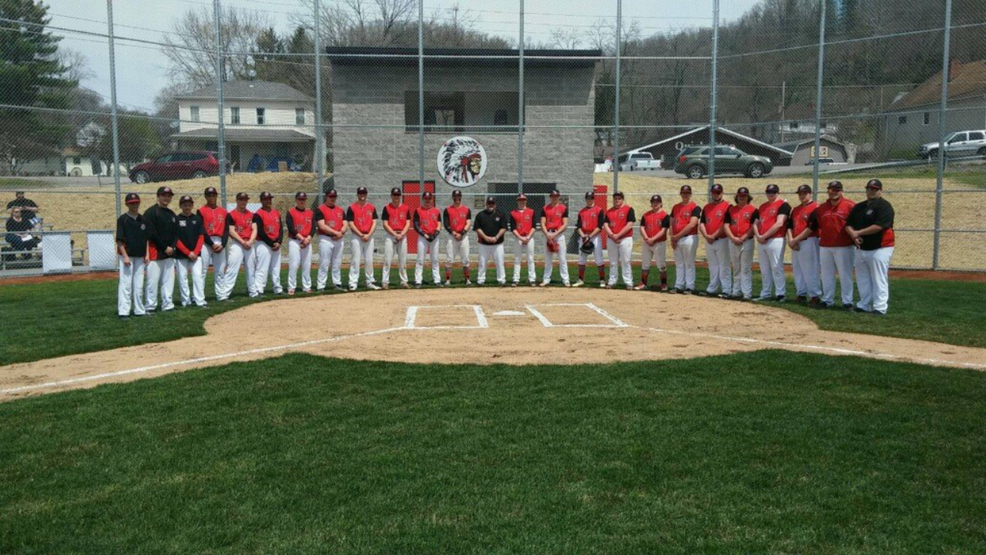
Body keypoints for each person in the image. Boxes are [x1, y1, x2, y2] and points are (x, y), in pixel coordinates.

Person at [847, 178, 895, 315]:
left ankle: (880, 307)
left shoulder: (884, 206)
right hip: (862, 248)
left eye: (875, 189)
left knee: (878, 278)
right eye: (869, 188)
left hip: (880, 247)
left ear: (880, 190)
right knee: (862, 278)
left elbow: (879, 226)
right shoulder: (859, 207)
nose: (871, 191)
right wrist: (853, 235)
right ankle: (864, 304)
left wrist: (858, 233)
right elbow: (848, 224)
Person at [808, 181, 855, 309]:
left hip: (844, 245)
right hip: (825, 245)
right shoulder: (821, 208)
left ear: (841, 191)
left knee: (845, 274)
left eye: (837, 190)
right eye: (831, 190)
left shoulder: (850, 206)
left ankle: (847, 302)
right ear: (828, 191)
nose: (834, 192)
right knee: (826, 274)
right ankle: (827, 300)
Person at [753, 184, 791, 302]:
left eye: (773, 192)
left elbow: (780, 223)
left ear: (778, 193)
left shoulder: (783, 205)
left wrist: (764, 236)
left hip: (776, 239)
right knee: (764, 268)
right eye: (768, 192)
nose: (771, 194)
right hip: (762, 240)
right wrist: (758, 236)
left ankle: (781, 294)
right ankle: (766, 293)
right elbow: (755, 223)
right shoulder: (763, 206)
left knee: (776, 267)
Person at [143, 186, 179, 312]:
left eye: (169, 196)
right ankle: (150, 306)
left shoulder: (171, 214)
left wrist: (172, 247)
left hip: (169, 253)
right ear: (158, 196)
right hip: (156, 251)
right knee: (152, 280)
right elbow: (151, 233)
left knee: (168, 280)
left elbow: (176, 233)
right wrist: (164, 248)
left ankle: (167, 304)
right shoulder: (151, 212)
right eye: (164, 195)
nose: (166, 198)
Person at [217, 192, 258, 301]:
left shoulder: (251, 214)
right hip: (237, 244)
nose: (243, 202)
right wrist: (242, 242)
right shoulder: (231, 214)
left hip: (249, 243)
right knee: (232, 269)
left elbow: (254, 229)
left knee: (251, 269)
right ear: (237, 200)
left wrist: (250, 241)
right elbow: (231, 231)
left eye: (245, 199)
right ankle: (225, 294)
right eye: (241, 199)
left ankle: (253, 292)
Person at [787, 184, 821, 305]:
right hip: (796, 241)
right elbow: (789, 225)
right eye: (800, 193)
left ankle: (815, 295)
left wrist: (795, 240)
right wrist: (791, 240)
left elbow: (811, 227)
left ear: (810, 193)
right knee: (798, 269)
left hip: (809, 240)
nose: (802, 195)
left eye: (804, 193)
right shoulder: (796, 209)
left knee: (810, 269)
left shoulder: (816, 207)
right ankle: (801, 294)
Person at [115, 193, 147, 319]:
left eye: (136, 202)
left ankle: (139, 310)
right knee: (126, 283)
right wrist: (125, 256)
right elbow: (119, 240)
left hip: (139, 256)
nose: (134, 205)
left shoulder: (143, 219)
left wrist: (146, 254)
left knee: (139, 284)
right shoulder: (123, 219)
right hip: (127, 256)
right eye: (132, 203)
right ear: (127, 204)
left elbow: (146, 239)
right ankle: (123, 311)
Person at [723, 187, 757, 300]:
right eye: (740, 195)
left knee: (745, 268)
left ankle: (747, 293)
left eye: (744, 195)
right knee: (736, 267)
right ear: (737, 197)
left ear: (748, 197)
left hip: (747, 241)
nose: (742, 197)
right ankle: (736, 291)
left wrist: (743, 237)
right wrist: (732, 238)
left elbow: (753, 227)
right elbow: (726, 225)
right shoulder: (731, 210)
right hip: (733, 241)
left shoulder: (753, 210)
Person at [174, 195, 208, 308]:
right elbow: (176, 239)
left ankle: (200, 300)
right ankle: (186, 301)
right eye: (184, 205)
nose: (187, 207)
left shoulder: (197, 219)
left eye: (189, 205)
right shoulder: (177, 219)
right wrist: (187, 252)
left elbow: (201, 237)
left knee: (197, 276)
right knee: (182, 278)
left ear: (192, 205)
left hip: (196, 254)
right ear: (180, 206)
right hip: (181, 254)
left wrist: (195, 252)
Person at [699, 184, 731, 297]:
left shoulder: (728, 206)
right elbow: (702, 222)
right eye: (714, 192)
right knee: (712, 265)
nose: (716, 194)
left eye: (718, 192)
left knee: (724, 265)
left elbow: (725, 224)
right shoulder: (707, 207)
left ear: (722, 193)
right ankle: (712, 288)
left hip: (722, 239)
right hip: (709, 240)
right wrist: (706, 235)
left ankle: (726, 289)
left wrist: (713, 235)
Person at [197, 186, 228, 299]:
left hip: (219, 240)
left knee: (220, 269)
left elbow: (226, 230)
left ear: (216, 196)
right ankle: (199, 296)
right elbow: (201, 229)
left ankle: (221, 295)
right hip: (206, 242)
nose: (211, 197)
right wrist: (211, 243)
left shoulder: (223, 212)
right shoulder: (201, 211)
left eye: (213, 195)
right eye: (209, 195)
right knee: (203, 270)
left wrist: (223, 244)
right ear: (205, 197)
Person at [669, 185, 701, 294]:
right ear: (681, 194)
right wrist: (672, 238)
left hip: (689, 238)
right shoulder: (676, 207)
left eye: (687, 193)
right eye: (683, 193)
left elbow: (692, 224)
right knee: (679, 263)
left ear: (690, 194)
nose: (685, 195)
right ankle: (679, 285)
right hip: (677, 239)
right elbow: (671, 222)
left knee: (689, 263)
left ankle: (690, 286)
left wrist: (677, 236)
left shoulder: (695, 207)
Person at [347, 186, 379, 291]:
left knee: (369, 260)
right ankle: (353, 282)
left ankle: (370, 281)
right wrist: (360, 234)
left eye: (364, 193)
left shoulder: (371, 207)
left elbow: (374, 222)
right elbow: (351, 223)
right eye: (360, 193)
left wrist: (369, 234)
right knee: (355, 260)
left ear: (366, 194)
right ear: (357, 194)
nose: (362, 195)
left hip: (369, 236)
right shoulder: (351, 207)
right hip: (357, 236)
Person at [252, 191, 284, 297]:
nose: (268, 201)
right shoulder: (258, 214)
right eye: (265, 199)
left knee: (276, 267)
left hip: (276, 243)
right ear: (261, 201)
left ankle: (277, 288)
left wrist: (279, 242)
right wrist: (271, 243)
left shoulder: (276, 212)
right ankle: (259, 289)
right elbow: (260, 231)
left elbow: (281, 229)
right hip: (263, 244)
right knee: (262, 267)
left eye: (269, 198)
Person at [636, 194, 671, 291]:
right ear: (651, 203)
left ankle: (664, 284)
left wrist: (653, 239)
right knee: (645, 263)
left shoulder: (665, 215)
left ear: (661, 203)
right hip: (647, 242)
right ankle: (643, 283)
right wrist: (647, 238)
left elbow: (664, 230)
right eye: (653, 202)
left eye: (657, 202)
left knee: (661, 264)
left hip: (659, 242)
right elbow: (642, 227)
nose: (655, 204)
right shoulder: (646, 215)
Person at [315, 189, 346, 292]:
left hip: (339, 238)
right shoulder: (320, 209)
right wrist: (335, 233)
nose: (333, 198)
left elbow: (345, 223)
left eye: (334, 196)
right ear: (326, 197)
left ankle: (337, 283)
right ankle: (321, 285)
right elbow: (322, 226)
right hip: (325, 238)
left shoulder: (340, 210)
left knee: (337, 263)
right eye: (330, 196)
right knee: (324, 262)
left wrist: (341, 232)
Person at [603, 191, 636, 290]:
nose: (617, 200)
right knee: (613, 262)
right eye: (615, 198)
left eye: (619, 198)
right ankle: (612, 281)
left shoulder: (628, 209)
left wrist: (618, 235)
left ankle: (628, 282)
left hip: (625, 238)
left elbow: (630, 224)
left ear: (622, 199)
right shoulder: (609, 211)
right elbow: (605, 225)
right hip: (612, 239)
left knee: (625, 261)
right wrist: (612, 235)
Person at [380, 187, 411, 289]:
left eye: (398, 195)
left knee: (402, 260)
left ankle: (404, 281)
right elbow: (385, 224)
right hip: (391, 235)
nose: (396, 197)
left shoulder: (406, 207)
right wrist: (394, 234)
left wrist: (402, 234)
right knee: (388, 259)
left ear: (400, 196)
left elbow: (408, 222)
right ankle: (385, 282)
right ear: (391, 196)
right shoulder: (387, 208)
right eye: (394, 195)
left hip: (402, 235)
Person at [540, 189, 571, 287]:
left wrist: (555, 234)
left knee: (562, 258)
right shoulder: (545, 208)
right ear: (550, 197)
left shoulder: (563, 208)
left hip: (559, 235)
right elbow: (542, 223)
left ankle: (565, 279)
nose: (555, 198)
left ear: (559, 196)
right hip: (548, 234)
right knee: (548, 259)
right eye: (553, 196)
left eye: (556, 196)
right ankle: (546, 279)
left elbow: (565, 224)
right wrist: (547, 235)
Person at [574, 191, 605, 288]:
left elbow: (600, 226)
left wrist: (590, 237)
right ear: (585, 199)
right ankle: (580, 280)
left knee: (599, 259)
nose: (589, 200)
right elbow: (578, 226)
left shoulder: (599, 210)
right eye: (588, 198)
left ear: (593, 199)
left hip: (594, 236)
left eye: (591, 198)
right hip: (584, 235)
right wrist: (583, 236)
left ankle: (602, 280)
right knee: (582, 259)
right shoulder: (581, 212)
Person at [474, 196, 507, 286]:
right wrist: (485, 237)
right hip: (483, 244)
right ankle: (481, 279)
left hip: (498, 243)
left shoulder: (501, 214)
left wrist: (496, 237)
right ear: (486, 204)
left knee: (500, 262)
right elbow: (477, 228)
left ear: (495, 204)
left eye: (492, 203)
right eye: (489, 203)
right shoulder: (480, 215)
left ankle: (501, 280)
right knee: (482, 263)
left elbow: (504, 228)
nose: (491, 205)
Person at [286, 192, 315, 295]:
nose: (302, 201)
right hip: (295, 241)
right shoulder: (291, 212)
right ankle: (291, 287)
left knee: (307, 265)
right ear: (296, 200)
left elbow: (313, 228)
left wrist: (308, 238)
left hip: (307, 240)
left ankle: (306, 286)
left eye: (303, 199)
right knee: (294, 264)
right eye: (299, 199)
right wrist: (302, 239)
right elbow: (291, 228)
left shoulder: (310, 212)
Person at [414, 191, 443, 287]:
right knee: (420, 259)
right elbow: (416, 225)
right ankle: (418, 280)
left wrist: (435, 234)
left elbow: (439, 224)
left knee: (435, 259)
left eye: (429, 198)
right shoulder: (418, 210)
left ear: (432, 199)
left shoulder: (437, 210)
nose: (427, 200)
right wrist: (424, 235)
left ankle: (437, 280)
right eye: (425, 198)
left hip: (434, 237)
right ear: (422, 199)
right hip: (423, 237)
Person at [443, 190, 472, 286]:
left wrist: (462, 233)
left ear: (461, 197)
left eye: (459, 196)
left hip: (463, 236)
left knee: (465, 258)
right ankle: (447, 280)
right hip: (452, 236)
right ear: (452, 197)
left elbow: (468, 223)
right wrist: (454, 233)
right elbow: (446, 224)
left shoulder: (467, 209)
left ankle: (467, 279)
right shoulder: (447, 210)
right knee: (449, 258)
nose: (457, 199)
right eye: (455, 197)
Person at [509, 193, 537, 287]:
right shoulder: (513, 213)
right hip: (518, 238)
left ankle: (532, 279)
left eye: (523, 200)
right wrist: (521, 238)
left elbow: (534, 226)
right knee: (517, 259)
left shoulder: (531, 211)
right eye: (520, 200)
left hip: (529, 237)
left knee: (530, 259)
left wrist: (528, 237)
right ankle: (516, 279)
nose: (522, 202)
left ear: (526, 201)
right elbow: (513, 228)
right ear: (517, 201)